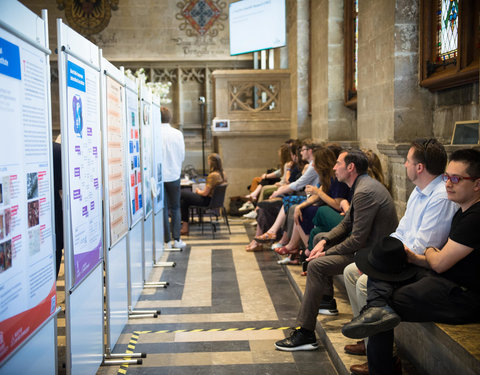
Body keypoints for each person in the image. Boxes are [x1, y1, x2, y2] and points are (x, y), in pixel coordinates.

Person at [342, 149, 480, 375]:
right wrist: (428, 253)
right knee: (380, 271)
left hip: (464, 296)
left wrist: (430, 251)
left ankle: (382, 367)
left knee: (386, 303)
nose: (447, 184)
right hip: (444, 280)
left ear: (477, 184)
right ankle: (378, 326)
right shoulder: (463, 212)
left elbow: (438, 261)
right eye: (446, 177)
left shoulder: (475, 218)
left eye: (456, 179)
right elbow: (430, 254)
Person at [274, 149, 398, 351]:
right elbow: (346, 224)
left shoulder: (365, 191)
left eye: (338, 163)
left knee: (317, 265)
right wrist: (324, 242)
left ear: (350, 167)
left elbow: (357, 239)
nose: (334, 167)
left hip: (371, 256)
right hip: (366, 250)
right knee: (321, 238)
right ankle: (324, 303)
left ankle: (306, 332)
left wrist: (325, 253)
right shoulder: (361, 186)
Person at [180, 153, 226, 235]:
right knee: (184, 202)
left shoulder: (213, 175)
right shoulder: (223, 173)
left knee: (182, 193)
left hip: (207, 201)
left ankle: (182, 224)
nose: (208, 163)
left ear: (212, 163)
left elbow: (205, 193)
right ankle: (185, 226)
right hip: (215, 201)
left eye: (209, 161)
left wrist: (197, 191)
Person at [160, 107, 186, 249]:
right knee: (175, 208)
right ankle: (177, 239)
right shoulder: (177, 134)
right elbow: (182, 155)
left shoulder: (154, 132)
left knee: (163, 208)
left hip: (159, 176)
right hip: (174, 175)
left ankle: (166, 241)